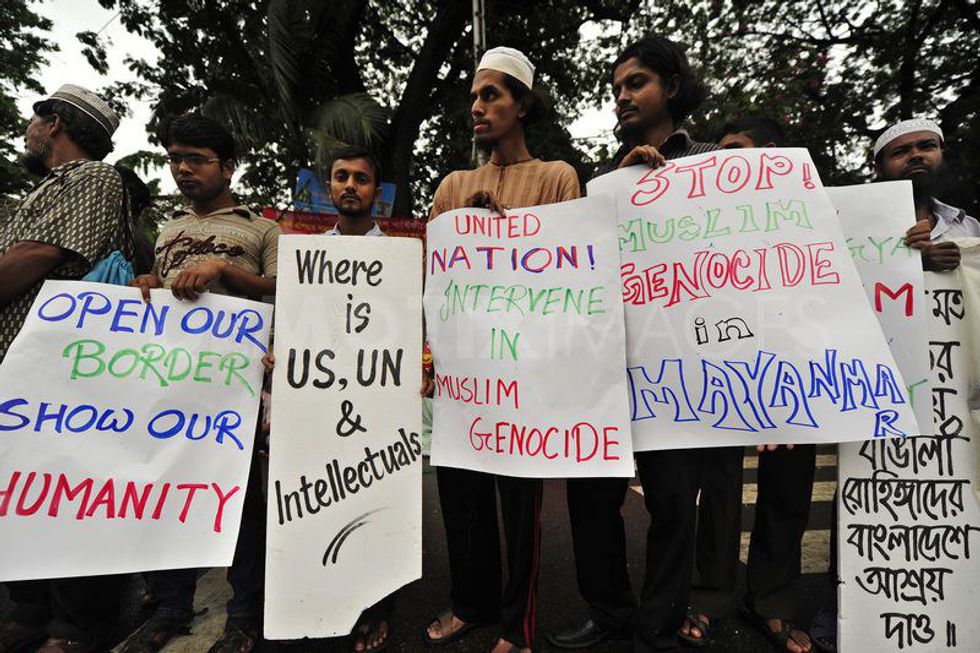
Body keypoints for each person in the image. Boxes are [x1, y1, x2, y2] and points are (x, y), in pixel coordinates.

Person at [548, 35, 721, 652]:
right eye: (617, 87)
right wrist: (620, 191)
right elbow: (581, 268)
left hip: (680, 366)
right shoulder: (605, 179)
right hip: (608, 365)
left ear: (671, 87)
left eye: (636, 82)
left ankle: (659, 622)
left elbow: (733, 256)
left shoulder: (713, 165)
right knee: (591, 496)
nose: (622, 96)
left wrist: (667, 186)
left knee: (673, 499)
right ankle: (608, 609)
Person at [421, 46, 580, 653]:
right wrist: (430, 357)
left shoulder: (558, 177)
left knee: (520, 503)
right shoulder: (453, 186)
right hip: (464, 374)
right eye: (473, 98)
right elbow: (436, 279)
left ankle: (519, 625)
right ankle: (472, 603)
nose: (478, 107)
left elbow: (568, 274)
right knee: (460, 494)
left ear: (522, 105)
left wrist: (505, 229)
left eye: (491, 95)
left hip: (525, 375)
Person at [124, 112, 279, 653]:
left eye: (196, 159)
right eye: (175, 160)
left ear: (228, 167)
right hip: (168, 387)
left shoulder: (263, 229)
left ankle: (246, 611)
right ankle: (171, 605)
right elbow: (163, 293)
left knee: (240, 502)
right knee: (168, 494)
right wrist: (148, 282)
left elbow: (284, 287)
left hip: (233, 391)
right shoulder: (168, 231)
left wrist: (225, 271)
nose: (183, 169)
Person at [0, 84, 133, 653]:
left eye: (35, 120)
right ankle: (30, 610)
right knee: (23, 490)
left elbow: (40, 254)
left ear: (54, 123)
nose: (28, 131)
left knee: (69, 493)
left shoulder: (93, 179)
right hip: (23, 371)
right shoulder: (46, 188)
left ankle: (76, 626)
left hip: (63, 372)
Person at [717, 116, 816, 653]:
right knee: (719, 489)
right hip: (721, 373)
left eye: (735, 149)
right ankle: (707, 597)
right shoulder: (706, 216)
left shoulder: (813, 211)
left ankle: (771, 602)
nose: (723, 161)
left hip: (795, 376)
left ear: (771, 154)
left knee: (788, 489)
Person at [873, 118, 980, 270]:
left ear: (941, 154)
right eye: (900, 152)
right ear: (879, 169)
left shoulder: (968, 227)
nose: (916, 155)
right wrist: (916, 263)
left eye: (927, 146)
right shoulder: (858, 228)